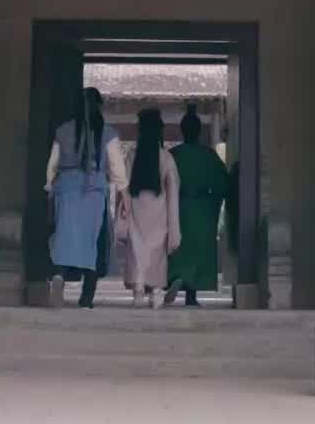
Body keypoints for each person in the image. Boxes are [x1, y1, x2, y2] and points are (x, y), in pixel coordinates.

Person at [45, 85, 127, 307]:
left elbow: (52, 165)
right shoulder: (108, 133)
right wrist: (125, 197)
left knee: (63, 239)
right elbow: (117, 169)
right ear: (99, 106)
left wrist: (49, 187)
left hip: (66, 189)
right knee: (92, 243)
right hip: (93, 192)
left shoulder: (62, 131)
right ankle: (86, 298)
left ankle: (59, 276)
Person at [163, 104, 229, 306]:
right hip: (202, 208)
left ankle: (176, 278)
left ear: (182, 131)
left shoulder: (173, 154)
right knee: (198, 250)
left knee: (179, 248)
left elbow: (162, 183)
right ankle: (191, 294)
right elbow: (223, 183)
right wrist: (214, 204)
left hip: (178, 206)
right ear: (199, 131)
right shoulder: (209, 155)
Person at [119, 106, 181, 308]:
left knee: (137, 249)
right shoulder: (166, 158)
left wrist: (123, 210)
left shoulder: (132, 155)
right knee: (156, 252)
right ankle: (155, 291)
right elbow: (173, 190)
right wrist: (174, 225)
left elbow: (124, 186)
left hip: (137, 208)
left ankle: (138, 289)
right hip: (159, 211)